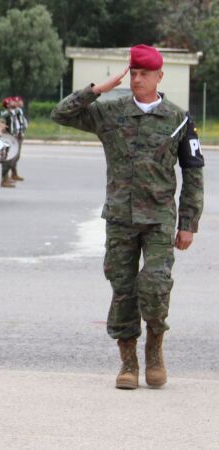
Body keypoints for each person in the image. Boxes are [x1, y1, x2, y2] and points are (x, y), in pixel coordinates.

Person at [51, 44, 204, 390]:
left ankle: (155, 350)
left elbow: (193, 173)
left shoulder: (178, 119)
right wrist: (97, 89)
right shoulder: (111, 113)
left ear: (159, 77)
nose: (137, 79)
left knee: (154, 285)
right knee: (123, 289)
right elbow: (61, 114)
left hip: (159, 218)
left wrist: (188, 223)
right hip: (120, 216)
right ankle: (128, 362)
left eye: (144, 74)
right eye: (133, 73)